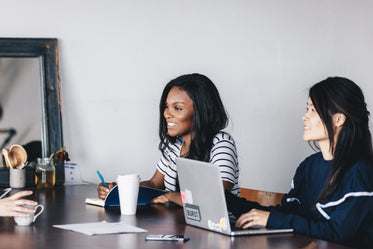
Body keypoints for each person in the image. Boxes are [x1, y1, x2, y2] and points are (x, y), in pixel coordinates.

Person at [225, 77, 373, 248]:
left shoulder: (360, 173)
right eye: (307, 109)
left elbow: (337, 233)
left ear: (339, 119)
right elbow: (288, 214)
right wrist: (228, 200)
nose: (304, 117)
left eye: (313, 110)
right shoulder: (308, 166)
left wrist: (273, 219)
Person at [97, 73, 240, 205]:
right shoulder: (175, 146)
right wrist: (120, 190)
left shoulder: (221, 144)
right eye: (167, 106)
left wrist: (173, 196)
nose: (167, 114)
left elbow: (219, 195)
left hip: (217, 229)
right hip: (180, 226)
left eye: (177, 108)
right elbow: (154, 184)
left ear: (201, 111)